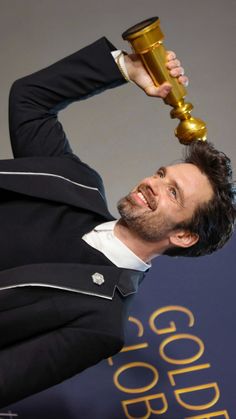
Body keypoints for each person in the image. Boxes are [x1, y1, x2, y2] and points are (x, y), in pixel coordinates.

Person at [0, 36, 235, 408]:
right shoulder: (75, 181)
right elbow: (29, 99)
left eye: (173, 193)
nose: (153, 184)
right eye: (161, 173)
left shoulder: (100, 324)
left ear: (186, 236)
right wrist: (127, 68)